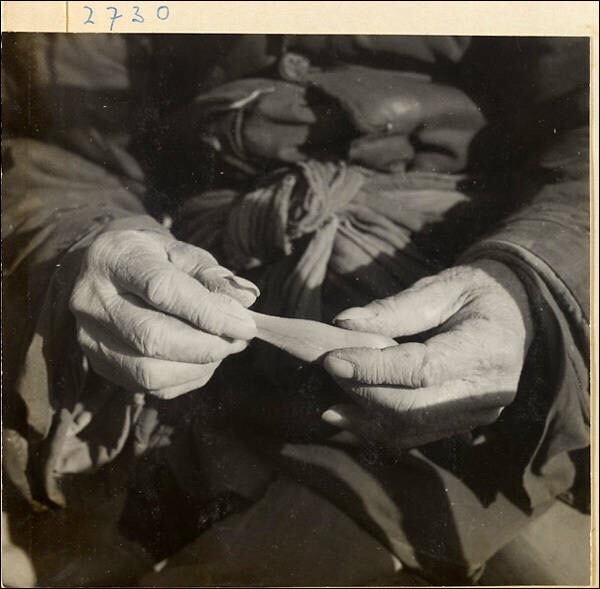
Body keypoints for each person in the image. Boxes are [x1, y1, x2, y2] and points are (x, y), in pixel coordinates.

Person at [2, 34, 590, 586]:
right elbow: (58, 148)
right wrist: (93, 244)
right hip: (168, 344)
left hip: (451, 355)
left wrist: (527, 283)